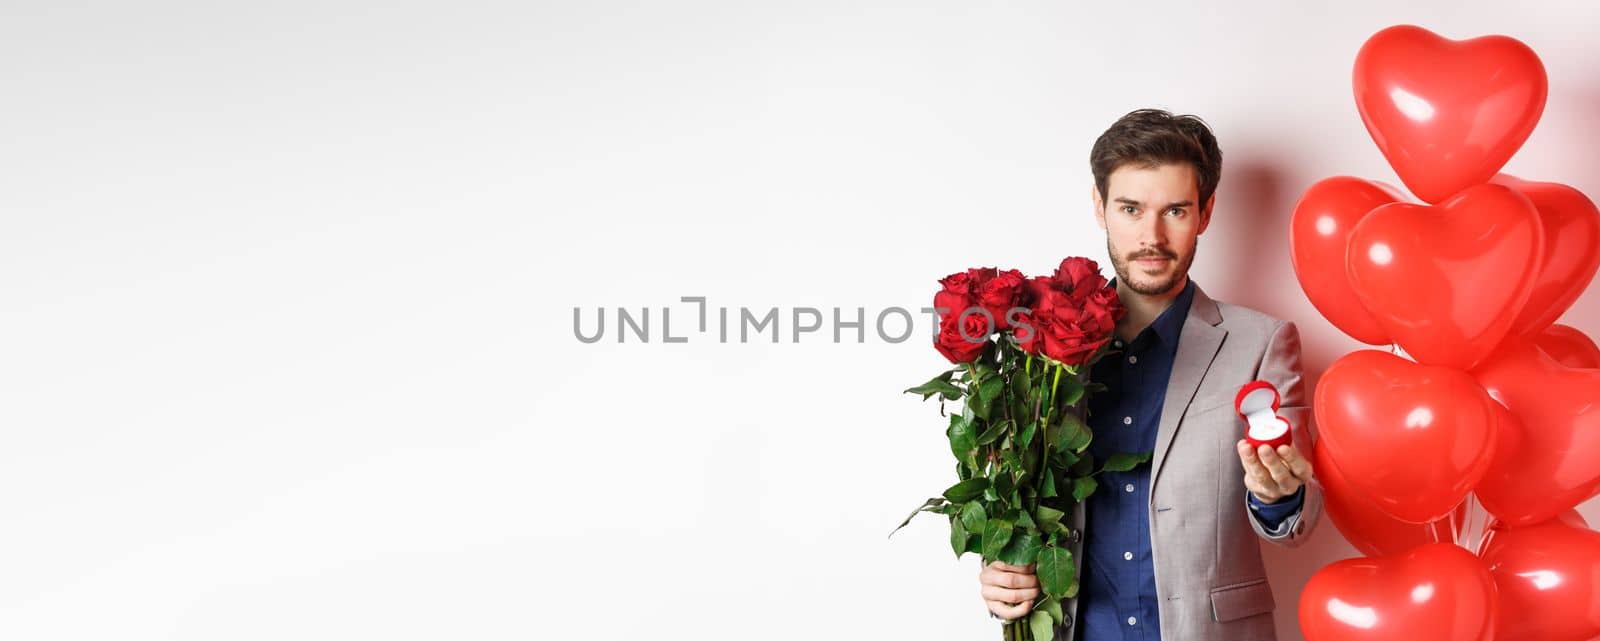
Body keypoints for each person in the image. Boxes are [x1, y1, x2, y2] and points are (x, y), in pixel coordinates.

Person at [976, 109, 1323, 640]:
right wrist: (1004, 570)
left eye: (1176, 210)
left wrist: (1277, 496)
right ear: (1100, 206)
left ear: (1205, 213)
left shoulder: (1262, 343)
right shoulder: (1039, 352)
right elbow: (1019, 493)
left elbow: (1294, 523)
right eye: (1131, 208)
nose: (1151, 235)